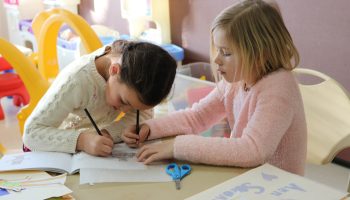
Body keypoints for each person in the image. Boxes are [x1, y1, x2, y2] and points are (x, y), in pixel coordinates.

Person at [122, 0, 307, 175]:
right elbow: (197, 117)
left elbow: (252, 150)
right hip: (247, 177)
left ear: (260, 53)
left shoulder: (279, 88)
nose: (217, 59)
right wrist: (150, 128)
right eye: (218, 50)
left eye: (226, 53)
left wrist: (177, 146)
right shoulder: (234, 82)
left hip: (278, 187)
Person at [23, 39, 177, 157]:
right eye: (124, 102)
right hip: (48, 150)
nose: (125, 110)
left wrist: (114, 131)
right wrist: (81, 141)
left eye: (134, 108)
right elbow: (32, 133)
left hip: (91, 148)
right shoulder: (77, 81)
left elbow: (143, 114)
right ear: (114, 70)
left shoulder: (138, 74)